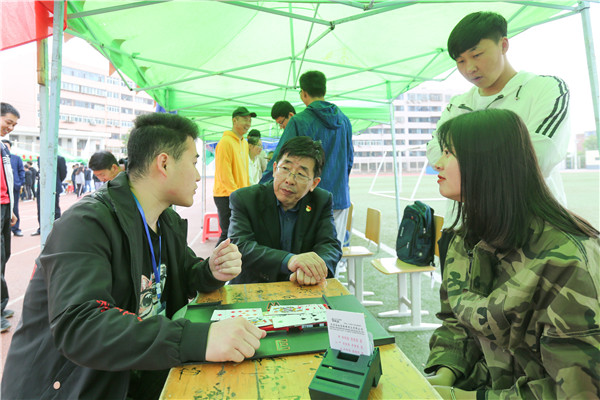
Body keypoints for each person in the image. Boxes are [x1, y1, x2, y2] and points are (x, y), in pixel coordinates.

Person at [2, 112, 266, 400]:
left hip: (133, 373)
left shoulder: (165, 220)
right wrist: (199, 338)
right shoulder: (87, 223)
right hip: (72, 388)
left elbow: (184, 272)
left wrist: (211, 270)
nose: (198, 175)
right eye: (193, 162)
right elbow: (81, 325)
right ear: (164, 163)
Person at [425, 109, 599, 399]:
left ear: (486, 163)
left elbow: (578, 390)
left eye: (448, 153)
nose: (437, 164)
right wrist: (444, 375)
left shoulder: (566, 258)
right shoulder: (466, 239)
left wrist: (459, 397)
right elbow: (456, 322)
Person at [426, 11, 570, 230]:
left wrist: (461, 161)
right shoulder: (457, 105)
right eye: (460, 61)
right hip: (465, 229)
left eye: (477, 55)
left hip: (530, 230)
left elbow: (539, 156)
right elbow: (435, 153)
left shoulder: (545, 89)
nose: (469, 68)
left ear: (503, 45)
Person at [261, 71, 354, 261]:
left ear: (303, 93)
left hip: (308, 200)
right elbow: (349, 160)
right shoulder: (344, 121)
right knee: (331, 258)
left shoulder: (299, 121)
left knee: (305, 262)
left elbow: (281, 160)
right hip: (339, 198)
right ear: (324, 90)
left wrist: (261, 188)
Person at [229, 136, 342, 285]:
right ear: (274, 169)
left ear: (314, 183)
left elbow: (330, 245)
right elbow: (241, 246)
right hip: (254, 286)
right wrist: (289, 260)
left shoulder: (321, 201)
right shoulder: (245, 199)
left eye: (301, 174)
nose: (289, 180)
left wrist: (314, 269)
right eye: (285, 169)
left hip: (301, 286)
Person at [213, 106, 255, 245]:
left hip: (239, 194)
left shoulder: (244, 143)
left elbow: (245, 171)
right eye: (245, 119)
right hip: (225, 195)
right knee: (227, 233)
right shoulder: (225, 142)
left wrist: (246, 192)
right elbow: (224, 174)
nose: (248, 123)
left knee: (238, 233)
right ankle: (213, 259)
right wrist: (236, 195)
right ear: (234, 120)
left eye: (250, 120)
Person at [0, 102, 19, 333]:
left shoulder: (3, 147)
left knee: (4, 256)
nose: (10, 128)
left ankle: (1, 304)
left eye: (14, 125)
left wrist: (11, 208)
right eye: (8, 122)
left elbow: (7, 180)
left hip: (4, 207)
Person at [31, 154, 68, 236]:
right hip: (42, 187)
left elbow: (63, 173)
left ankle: (56, 228)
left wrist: (56, 181)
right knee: (40, 208)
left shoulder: (59, 158)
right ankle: (41, 228)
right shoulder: (40, 157)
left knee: (55, 208)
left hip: (54, 187)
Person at [1, 140, 25, 237]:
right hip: (3, 189)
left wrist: (19, 184)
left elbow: (21, 171)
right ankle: (5, 230)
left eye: (6, 147)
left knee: (14, 209)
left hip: (14, 188)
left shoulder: (16, 158)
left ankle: (16, 229)